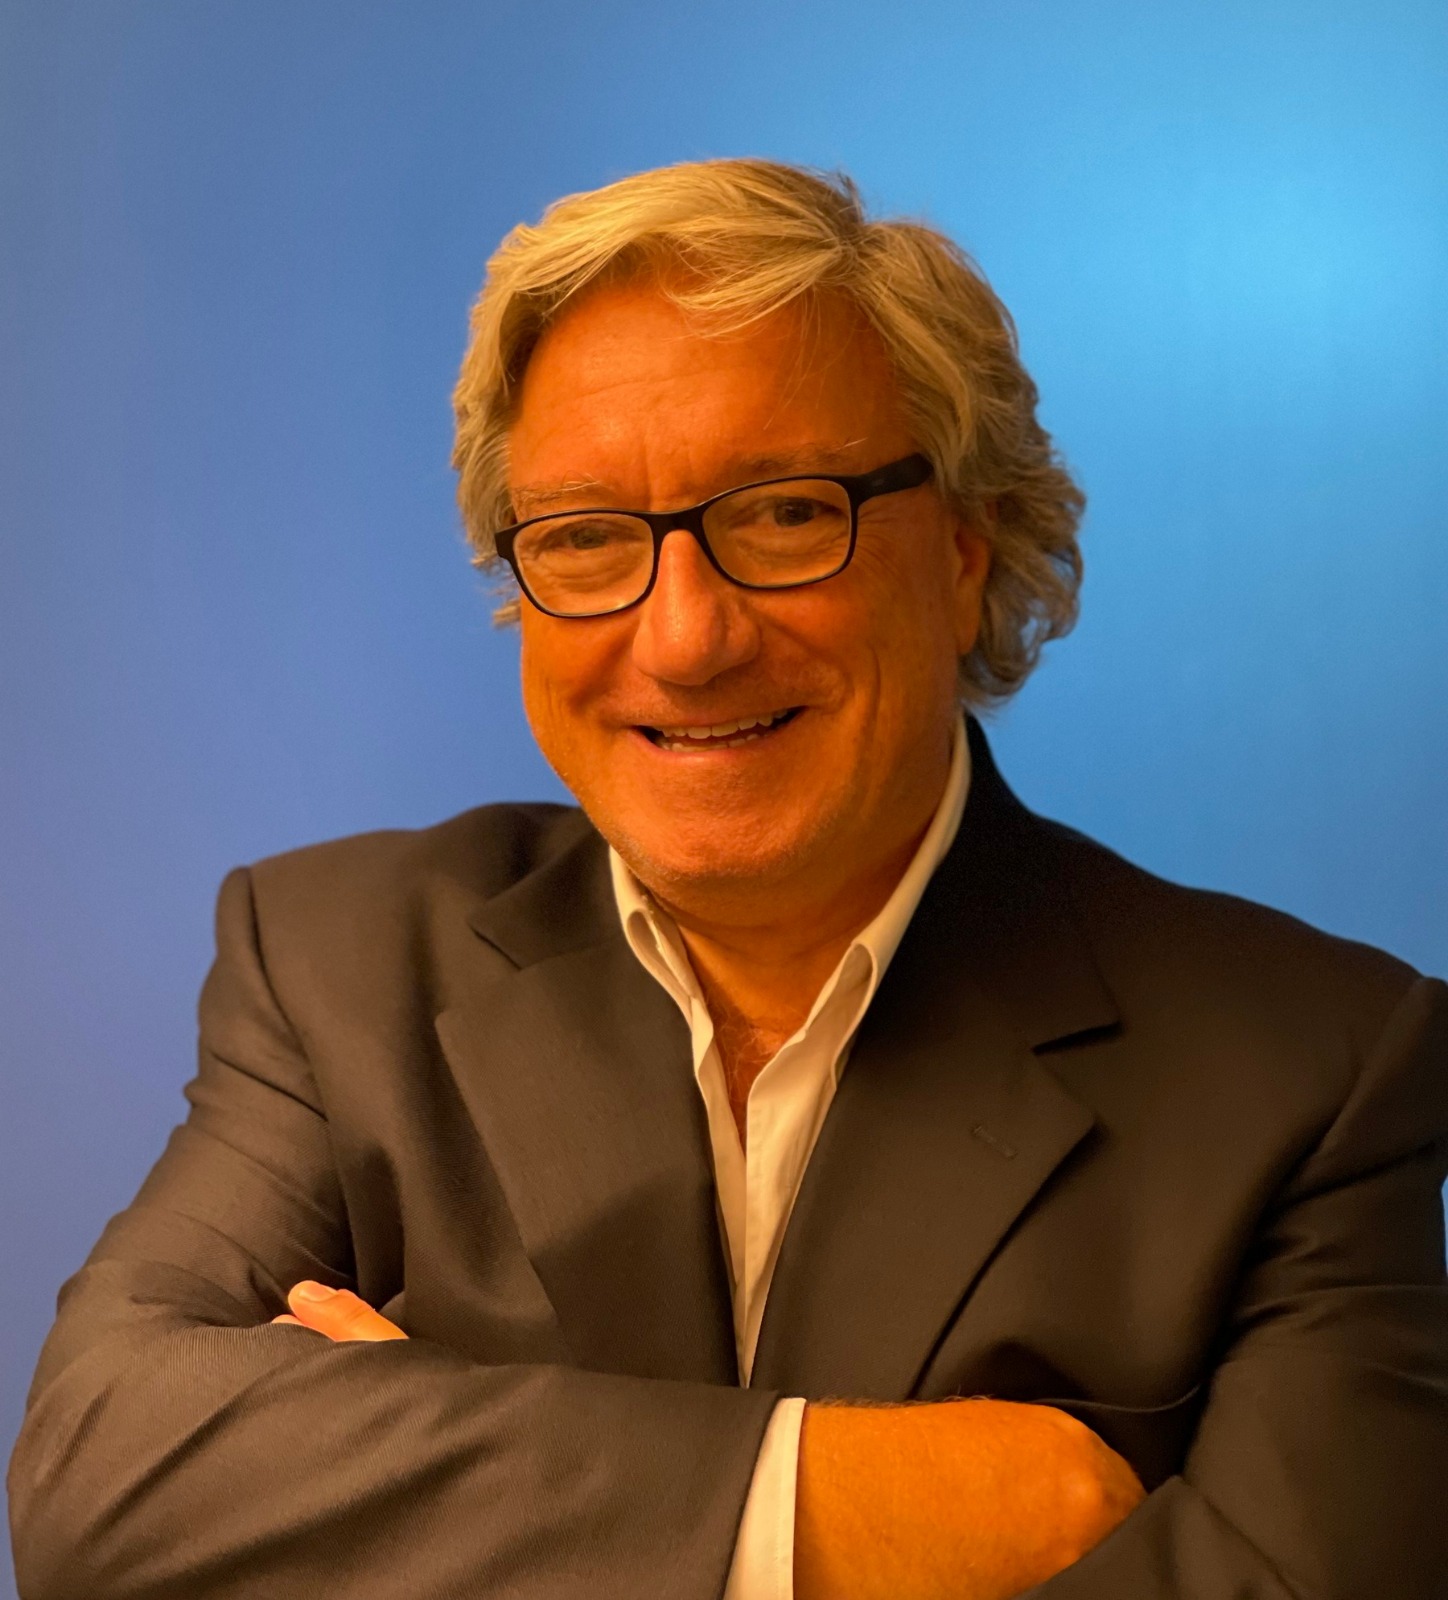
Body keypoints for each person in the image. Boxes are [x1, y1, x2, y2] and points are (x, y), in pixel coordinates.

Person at [8, 159, 1447, 1600]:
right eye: (584, 538)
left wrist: (425, 1476)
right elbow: (100, 1480)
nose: (685, 638)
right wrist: (849, 1504)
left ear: (964, 555)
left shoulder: (1314, 1076)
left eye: (784, 515)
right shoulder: (336, 967)